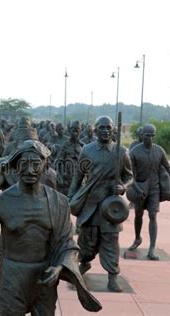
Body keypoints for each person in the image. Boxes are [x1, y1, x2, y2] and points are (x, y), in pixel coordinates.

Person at [0, 140, 102, 315]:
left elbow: (67, 243)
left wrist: (59, 267)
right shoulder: (1, 203)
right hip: (12, 276)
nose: (30, 170)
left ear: (45, 166)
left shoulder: (59, 202)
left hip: (44, 276)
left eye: (36, 164)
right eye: (24, 164)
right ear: (15, 167)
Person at [68, 116, 133, 292]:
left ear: (113, 130)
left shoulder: (121, 152)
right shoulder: (87, 150)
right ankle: (84, 263)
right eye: (101, 128)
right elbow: (78, 176)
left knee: (111, 241)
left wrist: (123, 187)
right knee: (86, 239)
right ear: (95, 130)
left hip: (111, 206)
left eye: (108, 128)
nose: (105, 131)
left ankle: (113, 276)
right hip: (90, 203)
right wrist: (71, 197)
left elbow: (129, 176)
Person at [127, 124, 170, 260]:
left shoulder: (159, 151)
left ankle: (152, 248)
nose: (150, 138)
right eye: (148, 135)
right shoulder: (134, 152)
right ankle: (137, 238)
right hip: (140, 188)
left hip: (155, 188)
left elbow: (169, 169)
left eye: (153, 135)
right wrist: (136, 189)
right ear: (142, 135)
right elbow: (130, 175)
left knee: (153, 215)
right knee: (138, 215)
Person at [55, 121, 83, 196]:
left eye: (77, 129)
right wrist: (59, 175)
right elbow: (58, 161)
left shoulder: (83, 147)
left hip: (80, 182)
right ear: (70, 130)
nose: (75, 131)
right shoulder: (65, 145)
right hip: (66, 181)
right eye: (73, 129)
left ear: (80, 130)